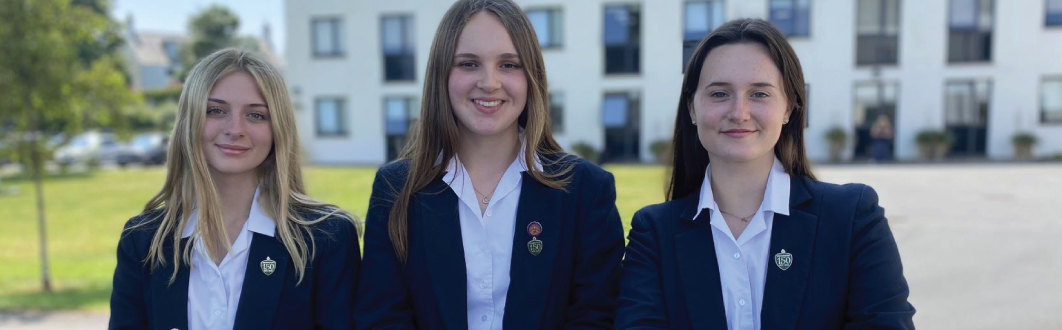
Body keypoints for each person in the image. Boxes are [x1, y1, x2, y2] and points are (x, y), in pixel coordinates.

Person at [614, 19, 915, 329]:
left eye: (759, 94)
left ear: (789, 107)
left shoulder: (852, 218)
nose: (739, 112)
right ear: (692, 108)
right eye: (719, 94)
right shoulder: (653, 234)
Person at [355, 0, 625, 329]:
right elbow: (383, 318)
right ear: (442, 75)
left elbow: (596, 317)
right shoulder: (395, 189)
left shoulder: (586, 190)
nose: (489, 82)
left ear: (531, 77)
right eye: (469, 64)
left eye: (509, 65)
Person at [108, 49, 360, 330]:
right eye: (216, 110)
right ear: (189, 121)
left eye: (256, 115)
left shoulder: (326, 239)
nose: (235, 128)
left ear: (278, 129)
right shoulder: (142, 241)